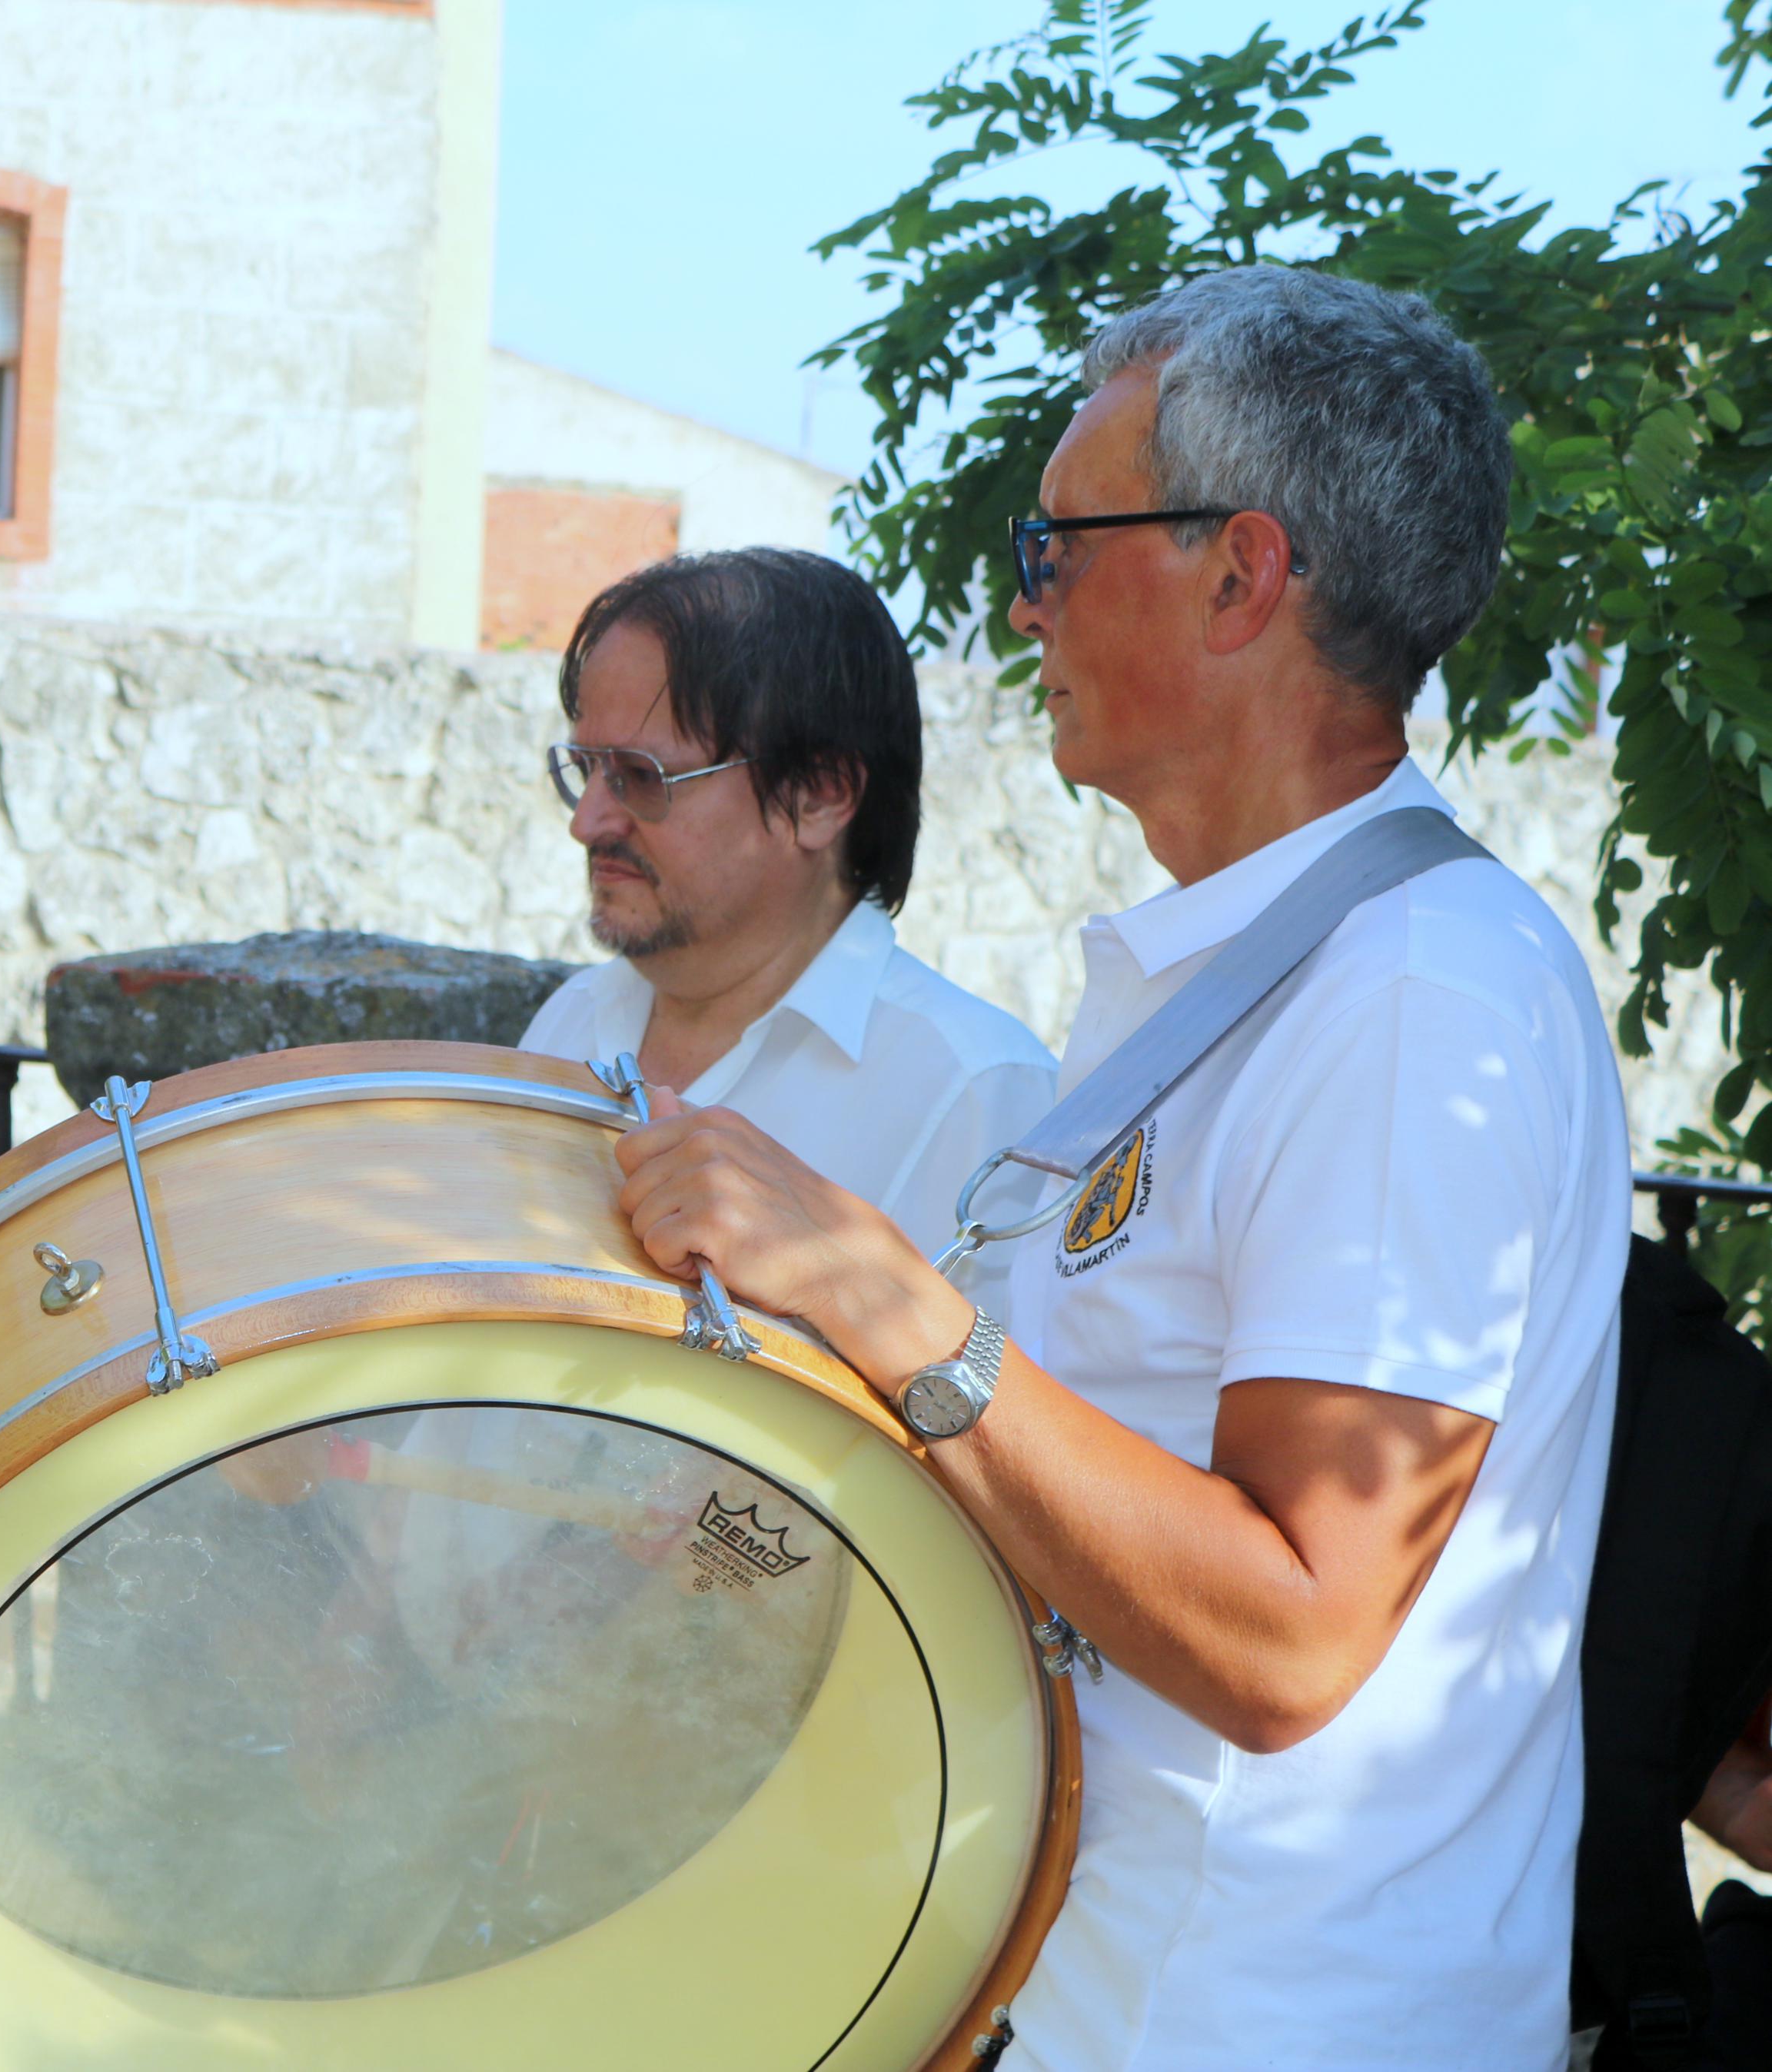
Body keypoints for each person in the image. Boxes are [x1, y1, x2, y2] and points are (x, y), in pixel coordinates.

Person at [609, 266, 1617, 2070]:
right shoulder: (1248, 972)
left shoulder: (1410, 997)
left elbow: (1291, 1631)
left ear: (1240, 574)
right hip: (1109, 1988)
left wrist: (884, 1300)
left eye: (1061, 543)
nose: (1021, 597)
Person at [520, 548, 1056, 1270]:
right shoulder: (570, 1021)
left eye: (640, 776)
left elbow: (998, 1384)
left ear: (821, 795)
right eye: (585, 770)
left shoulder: (978, 1092)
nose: (586, 823)